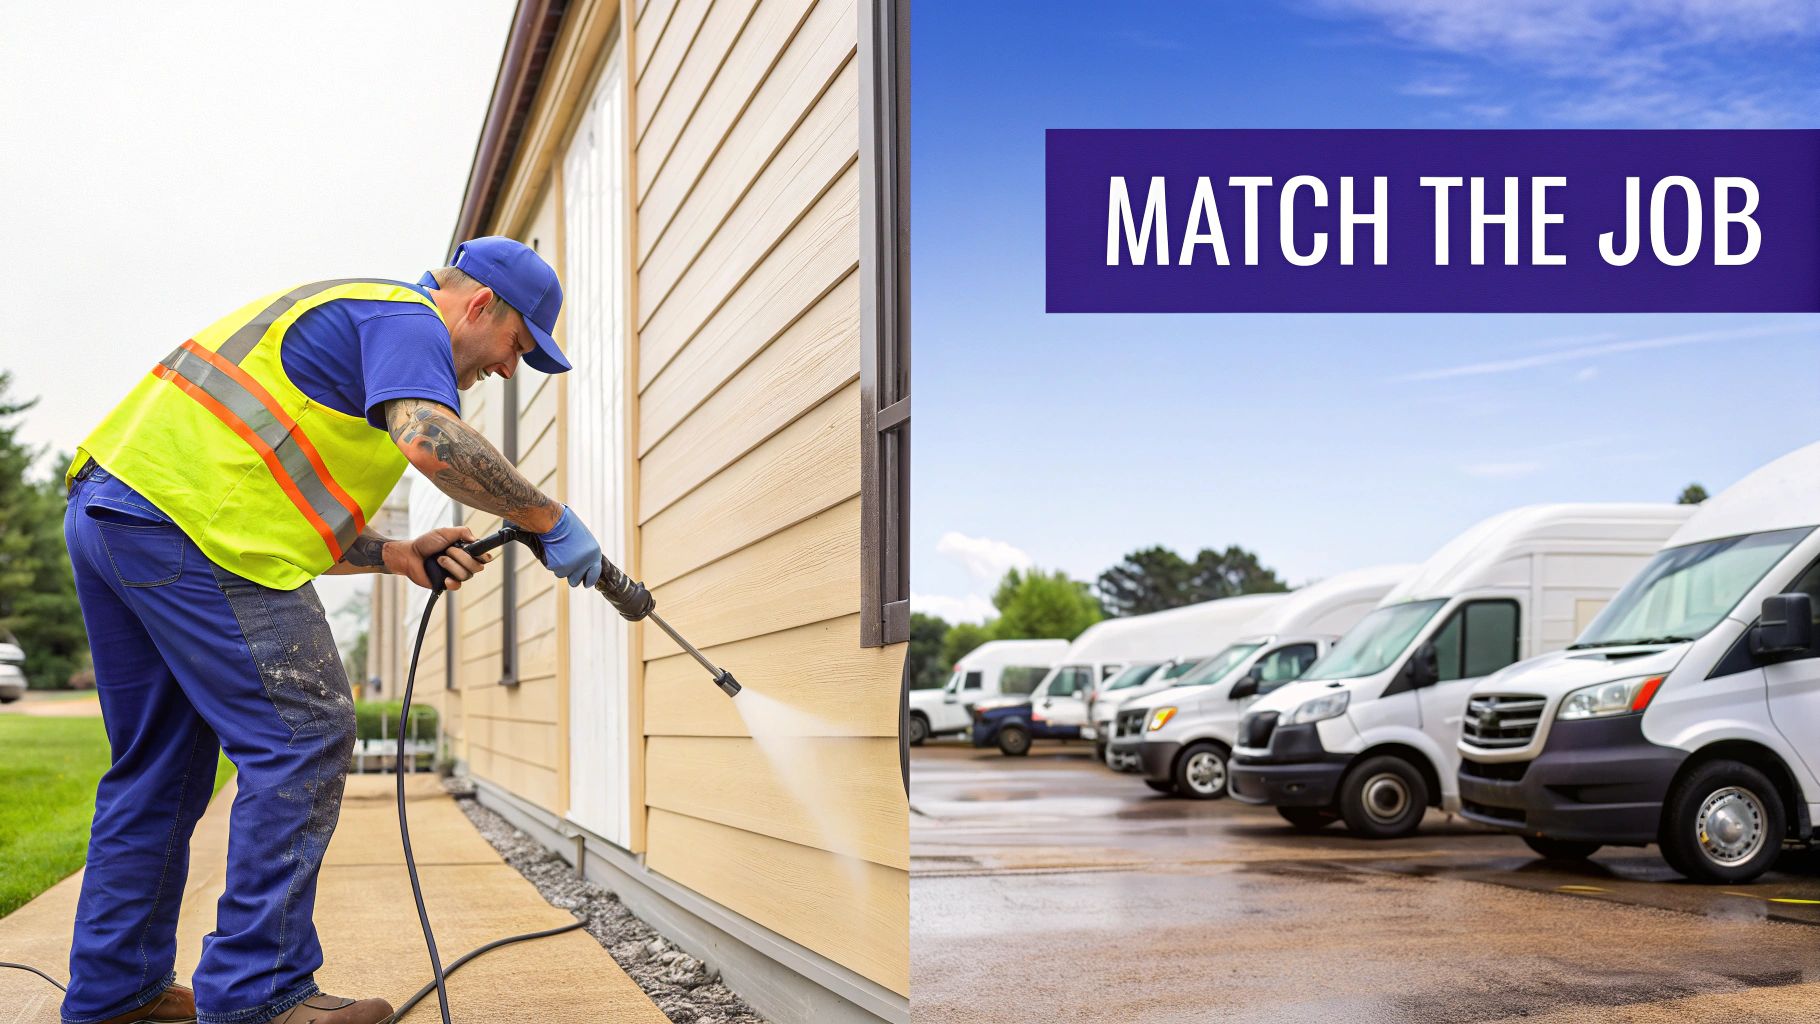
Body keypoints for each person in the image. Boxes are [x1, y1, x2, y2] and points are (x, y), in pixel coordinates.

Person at [59, 238, 606, 1024]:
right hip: (189, 527)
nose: (510, 368)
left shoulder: (358, 324)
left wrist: (392, 554)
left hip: (118, 512)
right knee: (304, 730)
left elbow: (282, 493)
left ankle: (116, 995)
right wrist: (545, 517)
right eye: (518, 345)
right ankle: (259, 993)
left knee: (163, 767)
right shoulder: (407, 318)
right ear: (481, 304)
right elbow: (430, 439)